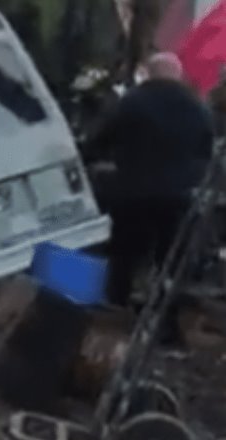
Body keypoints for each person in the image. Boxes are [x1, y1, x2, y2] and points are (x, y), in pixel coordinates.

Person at [88, 52, 214, 309]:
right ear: (177, 75)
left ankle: (116, 304)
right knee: (169, 257)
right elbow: (207, 149)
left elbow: (100, 139)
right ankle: (164, 312)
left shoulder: (131, 102)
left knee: (125, 253)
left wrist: (99, 162)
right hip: (177, 195)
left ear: (149, 73)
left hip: (133, 192)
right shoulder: (196, 107)